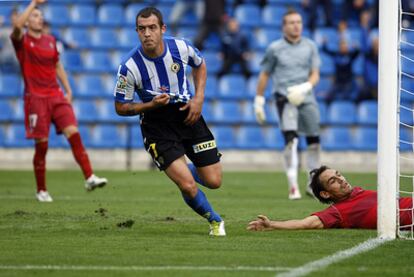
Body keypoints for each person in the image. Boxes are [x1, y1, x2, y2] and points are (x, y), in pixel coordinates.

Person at [113, 7, 226, 236]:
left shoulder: (181, 47)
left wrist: (199, 98)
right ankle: (215, 221)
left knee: (214, 181)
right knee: (187, 184)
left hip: (188, 114)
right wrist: (149, 105)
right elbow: (120, 107)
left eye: (152, 28)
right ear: (136, 31)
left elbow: (200, 64)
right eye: (142, 29)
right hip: (157, 125)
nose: (147, 34)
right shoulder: (129, 67)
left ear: (162, 29)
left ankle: (180, 169)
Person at [10, 0, 107, 202]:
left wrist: (68, 89)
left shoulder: (50, 40)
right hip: (35, 98)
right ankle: (41, 189)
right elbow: (17, 26)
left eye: (40, 15)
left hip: (55, 95)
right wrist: (33, 3)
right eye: (35, 16)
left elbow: (57, 65)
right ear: (27, 20)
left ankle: (89, 176)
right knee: (42, 145)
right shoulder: (22, 40)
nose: (39, 18)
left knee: (74, 132)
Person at [254, 9, 321, 200]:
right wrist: (259, 100)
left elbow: (315, 73)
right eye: (292, 22)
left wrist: (306, 86)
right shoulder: (275, 48)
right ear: (284, 26)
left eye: (299, 22)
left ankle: (313, 183)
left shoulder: (310, 46)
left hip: (307, 98)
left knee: (314, 141)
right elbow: (265, 74)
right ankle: (293, 185)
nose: (296, 25)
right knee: (291, 141)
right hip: (284, 99)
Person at [247, 165, 413, 231]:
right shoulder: (338, 211)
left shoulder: (358, 192)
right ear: (326, 194)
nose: (341, 179)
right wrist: (271, 224)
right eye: (333, 180)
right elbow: (305, 223)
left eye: (338, 174)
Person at [0, 8, 19, 73]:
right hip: (5, 54)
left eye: (16, 16)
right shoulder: (5, 30)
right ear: (10, 18)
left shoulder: (24, 31)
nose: (14, 18)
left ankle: (23, 80)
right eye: (13, 16)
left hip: (18, 56)